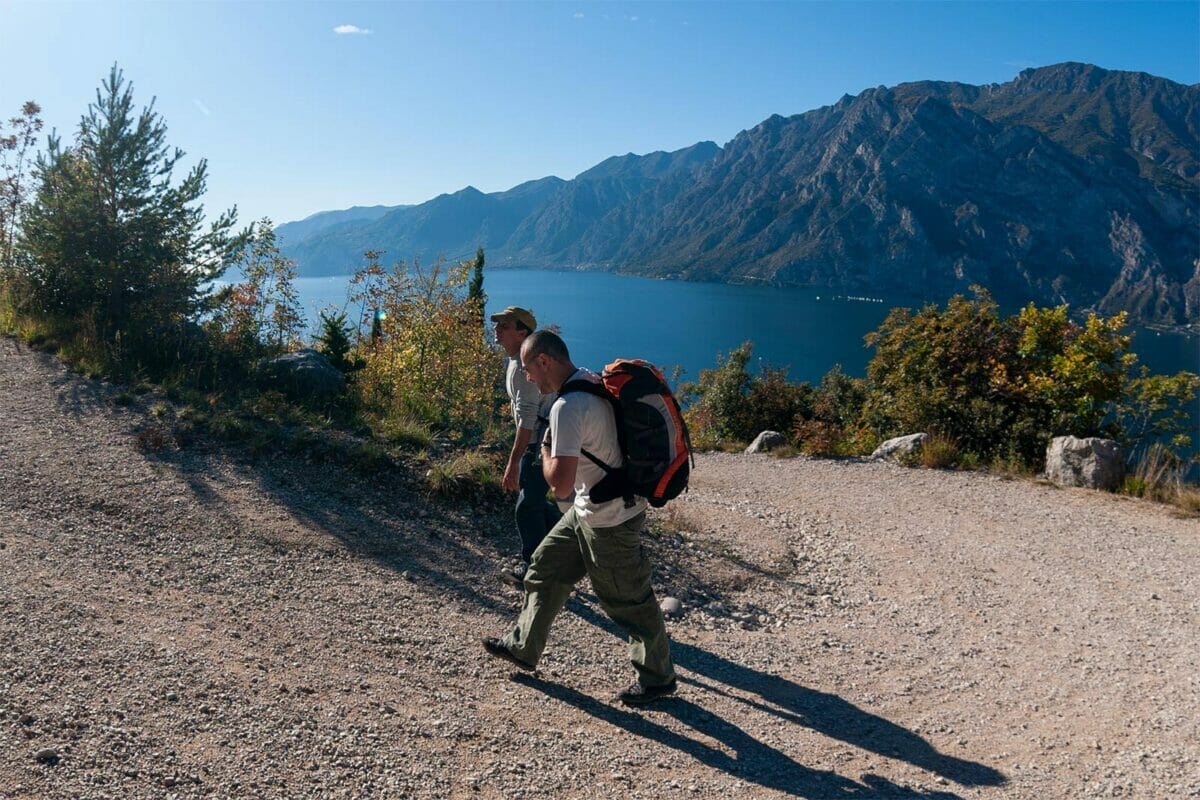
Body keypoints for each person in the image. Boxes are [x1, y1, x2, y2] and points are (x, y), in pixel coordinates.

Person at [482, 330, 677, 706]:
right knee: (545, 568)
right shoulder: (589, 379)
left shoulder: (566, 407)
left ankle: (658, 679)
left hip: (610, 519)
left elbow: (559, 484)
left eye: (528, 369)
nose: (528, 378)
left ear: (545, 361)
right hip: (590, 509)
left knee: (630, 601)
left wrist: (544, 448)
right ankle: (522, 646)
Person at [490, 306, 561, 587]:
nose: (496, 329)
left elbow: (528, 418)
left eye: (504, 326)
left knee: (526, 506)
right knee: (535, 501)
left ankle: (533, 569)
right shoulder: (517, 360)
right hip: (547, 436)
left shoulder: (523, 367)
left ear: (522, 333)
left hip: (541, 441)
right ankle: (569, 545)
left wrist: (514, 462)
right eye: (497, 324)